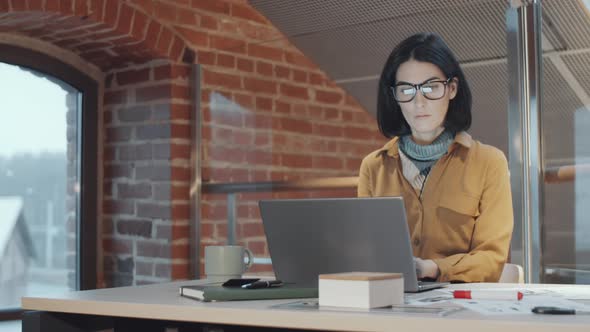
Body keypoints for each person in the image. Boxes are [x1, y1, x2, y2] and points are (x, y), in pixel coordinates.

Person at [357, 32, 513, 283]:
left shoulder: (489, 163)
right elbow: (365, 249)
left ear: (451, 89)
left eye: (430, 88)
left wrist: (434, 268)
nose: (419, 102)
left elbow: (491, 258)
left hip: (461, 307)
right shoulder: (373, 167)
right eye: (406, 90)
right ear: (394, 96)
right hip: (389, 302)